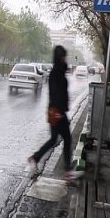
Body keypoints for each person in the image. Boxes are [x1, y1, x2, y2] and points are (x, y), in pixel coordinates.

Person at [27, 45, 82, 181]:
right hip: (57, 112)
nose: (65, 58)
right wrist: (61, 111)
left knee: (54, 140)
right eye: (63, 56)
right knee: (66, 139)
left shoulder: (58, 71)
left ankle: (35, 158)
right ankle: (67, 171)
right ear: (59, 57)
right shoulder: (57, 72)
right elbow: (56, 93)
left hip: (56, 111)